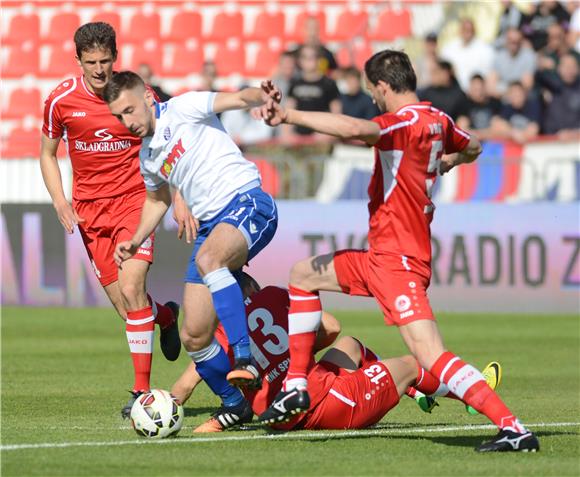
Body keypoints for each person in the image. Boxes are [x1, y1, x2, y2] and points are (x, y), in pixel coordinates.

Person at [257, 49, 539, 453]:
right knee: (304, 274)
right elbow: (474, 146)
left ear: (384, 87)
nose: (373, 98)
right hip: (380, 258)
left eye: (373, 90)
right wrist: (449, 161)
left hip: (398, 263)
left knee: (431, 354)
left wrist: (289, 117)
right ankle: (297, 386)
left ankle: (513, 428)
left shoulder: (402, 123)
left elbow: (353, 128)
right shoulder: (438, 120)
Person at [103, 72, 280, 428]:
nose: (127, 122)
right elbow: (157, 200)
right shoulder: (148, 156)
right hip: (212, 229)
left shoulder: (184, 107)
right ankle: (235, 403)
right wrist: (136, 240)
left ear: (148, 99)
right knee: (194, 337)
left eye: (129, 110)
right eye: (119, 116)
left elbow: (236, 98)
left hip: (247, 202)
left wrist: (258, 94)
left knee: (209, 259)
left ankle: (244, 359)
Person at [39, 22, 181, 419]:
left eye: (105, 61)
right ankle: (166, 316)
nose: (99, 70)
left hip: (136, 202)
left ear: (115, 58)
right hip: (91, 213)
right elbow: (48, 154)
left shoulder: (138, 95)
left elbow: (170, 141)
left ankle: (142, 394)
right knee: (127, 307)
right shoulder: (60, 100)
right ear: (78, 61)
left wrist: (180, 195)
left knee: (133, 287)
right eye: (91, 63)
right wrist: (59, 200)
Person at [173, 273, 502, 433]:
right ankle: (469, 393)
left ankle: (416, 393)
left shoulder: (222, 337)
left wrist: (165, 406)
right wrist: (295, 352)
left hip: (281, 418)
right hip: (323, 404)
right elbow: (330, 327)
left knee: (352, 346)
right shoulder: (271, 295)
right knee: (411, 363)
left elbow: (187, 384)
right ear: (253, 289)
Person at [282, 45, 341, 142]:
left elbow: (337, 115)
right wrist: (287, 134)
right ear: (300, 61)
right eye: (304, 57)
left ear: (319, 60)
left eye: (312, 57)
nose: (308, 61)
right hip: (299, 138)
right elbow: (288, 110)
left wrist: (329, 134)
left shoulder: (329, 84)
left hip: (322, 137)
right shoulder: (294, 83)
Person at [440, 18, 494, 91]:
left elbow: (488, 74)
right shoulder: (449, 49)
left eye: (469, 30)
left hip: (476, 92)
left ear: (474, 31)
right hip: (453, 92)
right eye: (464, 29)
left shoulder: (485, 50)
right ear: (460, 30)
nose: (467, 32)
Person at [486, 27, 537, 97]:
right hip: (502, 98)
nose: (514, 44)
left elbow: (527, 85)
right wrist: (510, 92)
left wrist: (502, 89)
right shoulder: (499, 56)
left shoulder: (529, 56)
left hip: (522, 98)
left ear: (521, 41)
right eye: (511, 41)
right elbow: (490, 87)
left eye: (516, 41)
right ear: (506, 41)